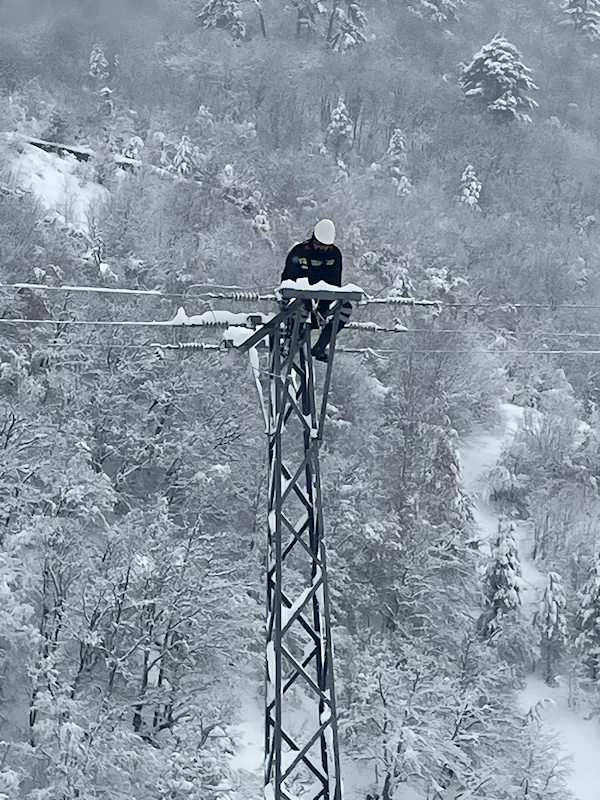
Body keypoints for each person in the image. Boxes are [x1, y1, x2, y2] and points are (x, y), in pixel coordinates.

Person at [281, 219, 352, 362]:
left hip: (323, 299)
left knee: (345, 308)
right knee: (301, 307)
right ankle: (293, 338)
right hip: (299, 300)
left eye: (327, 247)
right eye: (320, 246)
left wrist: (324, 306)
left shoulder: (334, 255)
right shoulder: (299, 252)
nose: (323, 250)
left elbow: (335, 283)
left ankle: (321, 345)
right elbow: (287, 280)